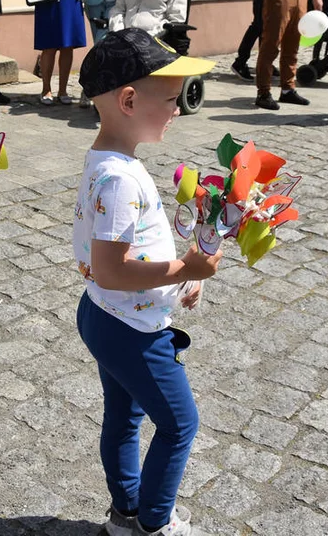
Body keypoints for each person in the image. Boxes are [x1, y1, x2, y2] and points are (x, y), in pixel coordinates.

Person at [74, 28, 221, 536]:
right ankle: (155, 525)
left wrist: (179, 284)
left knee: (125, 418)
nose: (178, 109)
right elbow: (114, 268)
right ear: (130, 100)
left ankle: (125, 512)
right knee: (180, 426)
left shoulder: (109, 163)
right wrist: (186, 269)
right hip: (133, 330)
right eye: (171, 100)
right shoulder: (120, 178)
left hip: (103, 314)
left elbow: (127, 256)